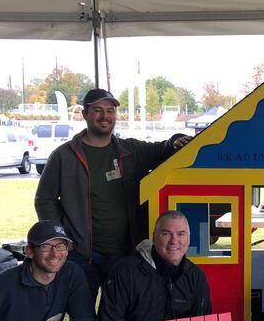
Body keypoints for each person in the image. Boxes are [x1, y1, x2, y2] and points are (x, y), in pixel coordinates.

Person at [35, 88, 192, 299]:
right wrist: (60, 239)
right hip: (82, 256)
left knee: (121, 315)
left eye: (110, 110)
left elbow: (161, 149)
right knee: (82, 315)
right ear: (85, 114)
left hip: (125, 254)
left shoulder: (129, 151)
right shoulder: (64, 156)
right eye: (98, 110)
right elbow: (44, 199)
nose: (105, 116)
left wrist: (176, 140)